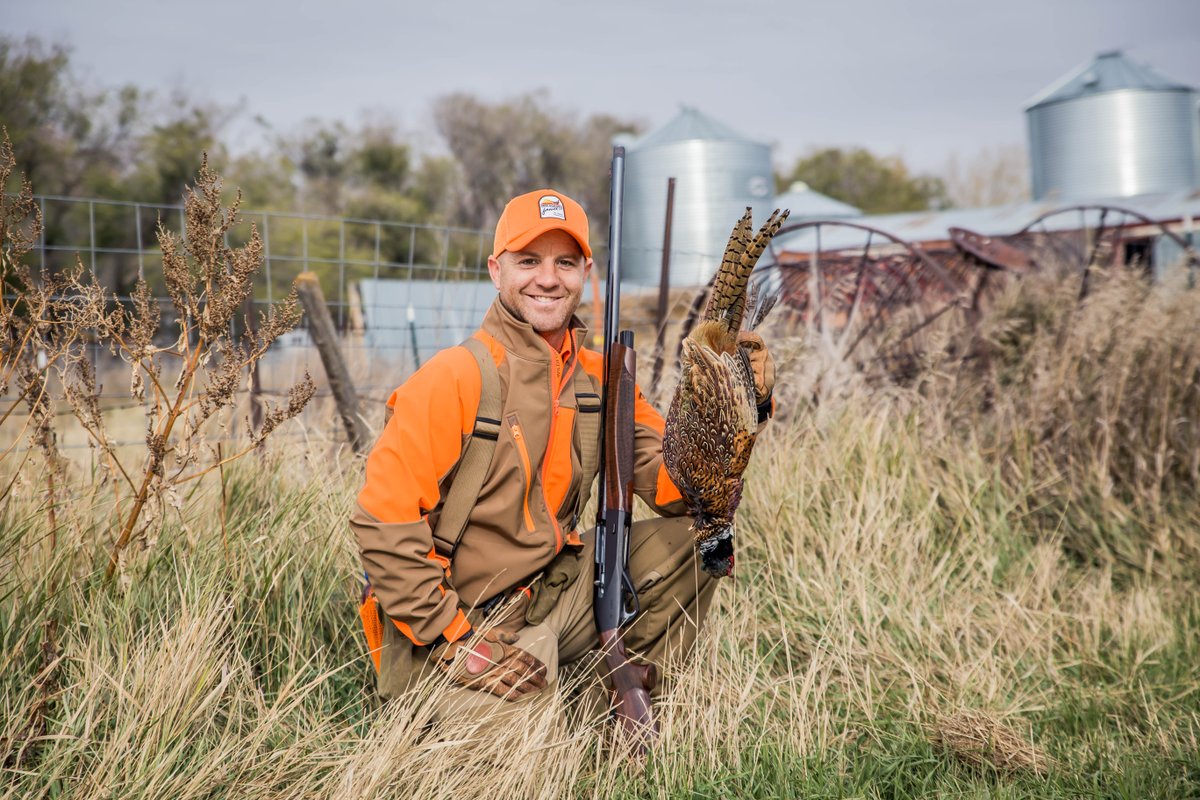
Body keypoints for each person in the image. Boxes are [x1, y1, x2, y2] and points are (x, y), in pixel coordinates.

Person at [350, 188, 775, 721]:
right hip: (459, 615)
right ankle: (496, 705)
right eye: (528, 261)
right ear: (495, 269)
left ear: (585, 273)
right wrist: (451, 638)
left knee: (698, 539)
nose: (548, 278)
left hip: (553, 590)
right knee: (527, 764)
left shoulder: (602, 378)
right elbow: (382, 520)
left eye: (565, 263)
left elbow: (677, 489)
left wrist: (735, 410)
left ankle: (620, 717)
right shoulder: (452, 379)